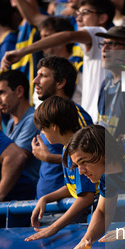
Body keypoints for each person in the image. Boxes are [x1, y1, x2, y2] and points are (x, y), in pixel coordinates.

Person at [3, 0, 115, 120]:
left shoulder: (99, 33)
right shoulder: (96, 41)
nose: (78, 18)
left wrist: (21, 52)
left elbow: (67, 36)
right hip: (94, 120)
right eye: (77, 13)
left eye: (84, 13)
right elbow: (34, 17)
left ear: (102, 18)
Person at [25, 96, 96, 241]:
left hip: (92, 217)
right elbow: (73, 187)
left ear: (54, 126)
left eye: (44, 128)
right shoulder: (66, 150)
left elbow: (87, 196)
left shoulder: (79, 150)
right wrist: (46, 198)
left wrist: (54, 227)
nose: (42, 134)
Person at [30, 57, 93, 199]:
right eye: (37, 75)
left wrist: (50, 157)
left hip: (69, 207)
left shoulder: (76, 115)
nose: (35, 81)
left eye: (43, 76)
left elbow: (91, 160)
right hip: (46, 205)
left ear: (60, 83)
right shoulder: (48, 115)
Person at [0, 70, 40, 190]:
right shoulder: (10, 123)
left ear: (19, 91)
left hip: (29, 194)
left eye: (2, 93)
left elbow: (14, 160)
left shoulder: (33, 119)